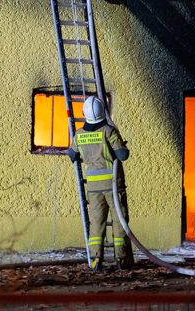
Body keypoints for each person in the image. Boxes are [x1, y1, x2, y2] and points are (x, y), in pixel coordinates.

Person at [66, 95, 133, 272]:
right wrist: (121, 146)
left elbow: (72, 155)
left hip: (94, 188)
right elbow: (123, 155)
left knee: (96, 223)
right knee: (119, 222)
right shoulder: (108, 131)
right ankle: (122, 259)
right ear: (102, 111)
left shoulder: (79, 135)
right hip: (112, 185)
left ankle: (95, 259)